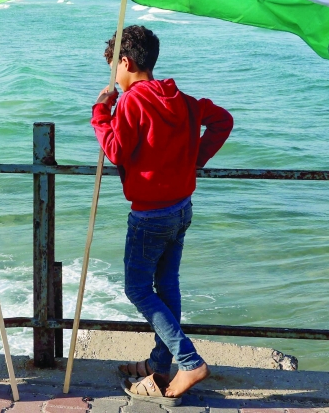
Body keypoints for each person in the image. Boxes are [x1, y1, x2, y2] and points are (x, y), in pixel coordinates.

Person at [91, 25, 233, 404]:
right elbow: (223, 120)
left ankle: (189, 361)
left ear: (125, 62)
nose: (113, 78)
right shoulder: (182, 99)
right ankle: (159, 363)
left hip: (150, 215)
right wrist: (194, 159)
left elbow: (116, 151)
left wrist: (101, 112)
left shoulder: (131, 102)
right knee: (167, 286)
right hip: (181, 208)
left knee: (138, 289)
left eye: (113, 68)